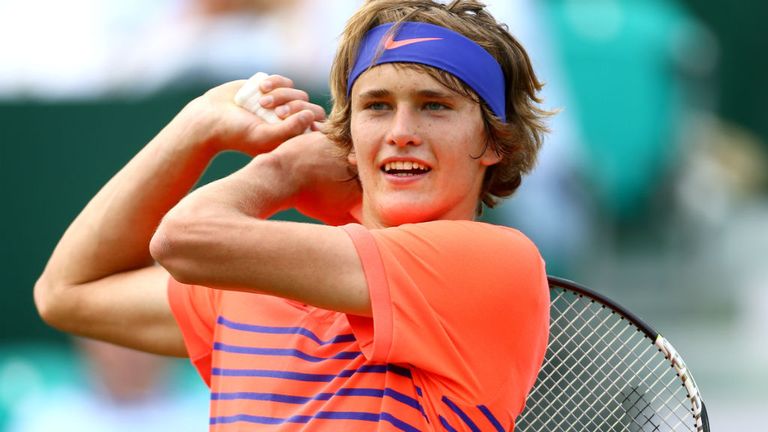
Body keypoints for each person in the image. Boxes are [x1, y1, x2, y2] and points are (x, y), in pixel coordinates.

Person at [34, 0, 551, 430]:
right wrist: (195, 127)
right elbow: (66, 293)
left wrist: (285, 171)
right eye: (375, 106)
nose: (401, 131)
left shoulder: (496, 264)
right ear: (349, 138)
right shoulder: (248, 284)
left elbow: (182, 238)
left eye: (434, 105)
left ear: (493, 142)